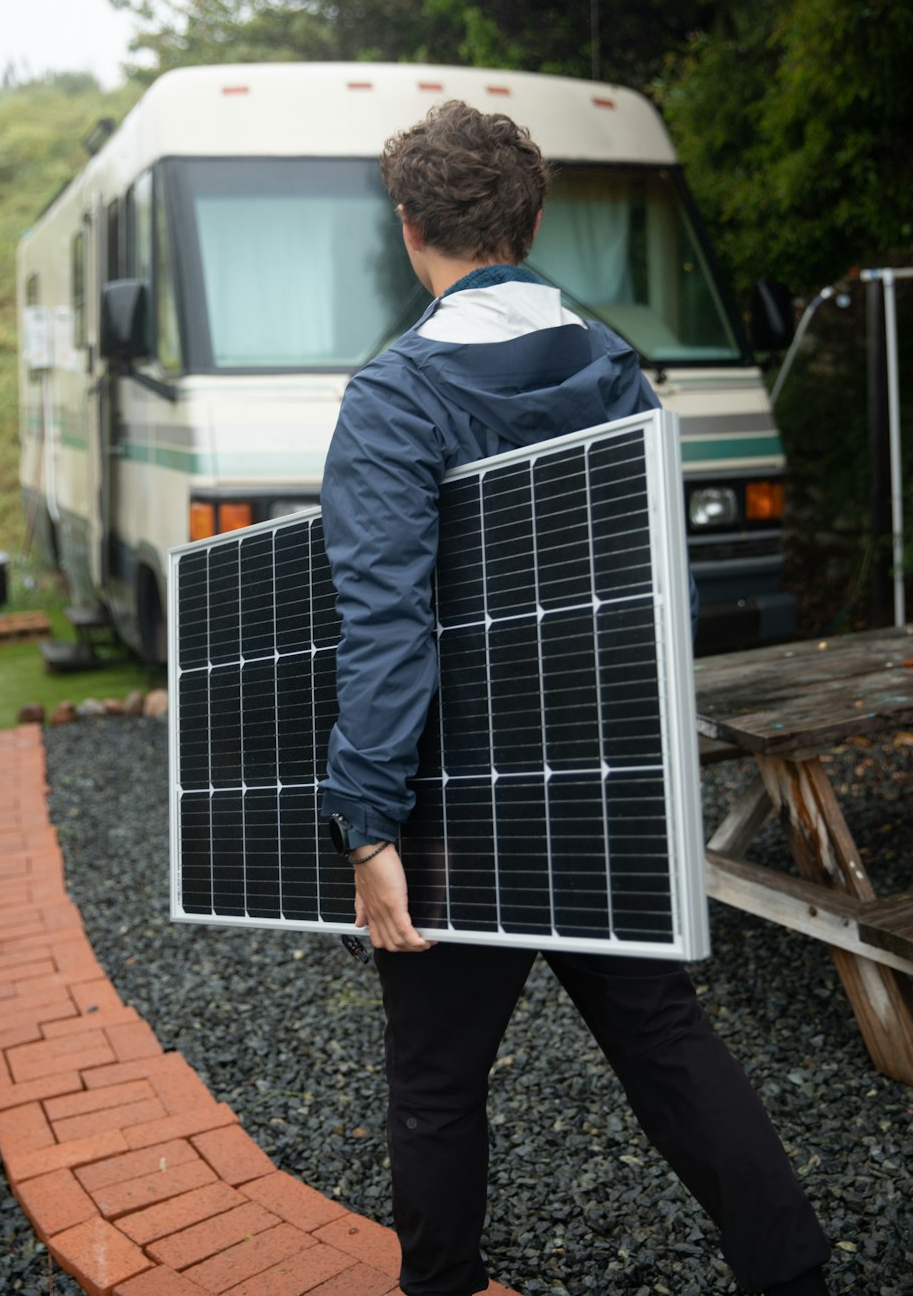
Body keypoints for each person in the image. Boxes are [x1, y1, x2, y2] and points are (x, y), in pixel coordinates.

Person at [317, 99, 832, 1296]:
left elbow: (387, 623)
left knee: (438, 1085)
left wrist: (370, 821)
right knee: (660, 1035)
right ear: (534, 219)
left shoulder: (392, 398)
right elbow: (660, 596)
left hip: (454, 804)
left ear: (408, 230)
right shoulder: (613, 368)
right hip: (598, 779)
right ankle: (793, 1273)